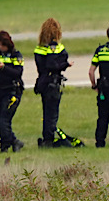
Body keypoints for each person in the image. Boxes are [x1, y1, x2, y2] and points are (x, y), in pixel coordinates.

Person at [32, 18, 82, 148]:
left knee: (46, 112)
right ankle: (49, 139)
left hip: (42, 82)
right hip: (52, 83)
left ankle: (46, 137)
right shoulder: (54, 47)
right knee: (52, 113)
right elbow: (52, 64)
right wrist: (65, 64)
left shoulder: (39, 48)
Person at [0, 30, 26, 153]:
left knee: (4, 120)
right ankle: (13, 141)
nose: (0, 47)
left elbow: (18, 72)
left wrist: (4, 68)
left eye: (2, 45)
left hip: (12, 92)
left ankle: (5, 145)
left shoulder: (16, 55)